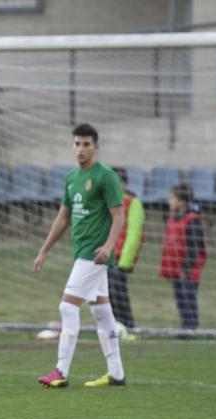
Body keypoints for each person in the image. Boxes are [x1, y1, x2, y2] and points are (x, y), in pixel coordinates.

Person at [35, 123, 127, 389]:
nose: (81, 149)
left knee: (67, 306)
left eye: (86, 144)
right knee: (102, 311)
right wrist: (44, 250)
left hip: (95, 253)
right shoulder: (72, 178)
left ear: (96, 147)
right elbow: (63, 218)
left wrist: (109, 246)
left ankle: (61, 370)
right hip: (81, 252)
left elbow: (118, 215)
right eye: (77, 143)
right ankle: (117, 373)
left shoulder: (105, 176)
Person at [160, 183, 206, 330]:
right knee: (180, 299)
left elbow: (194, 248)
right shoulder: (173, 217)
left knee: (188, 298)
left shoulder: (193, 220)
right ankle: (185, 325)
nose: (169, 201)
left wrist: (186, 269)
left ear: (182, 201)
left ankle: (191, 327)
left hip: (188, 270)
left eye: (172, 198)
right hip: (176, 268)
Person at [107, 167, 144, 336]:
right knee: (105, 295)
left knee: (119, 293)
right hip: (105, 257)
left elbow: (134, 234)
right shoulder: (105, 202)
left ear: (124, 183)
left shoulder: (132, 203)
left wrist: (125, 261)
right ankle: (114, 328)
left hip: (120, 259)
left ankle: (129, 326)